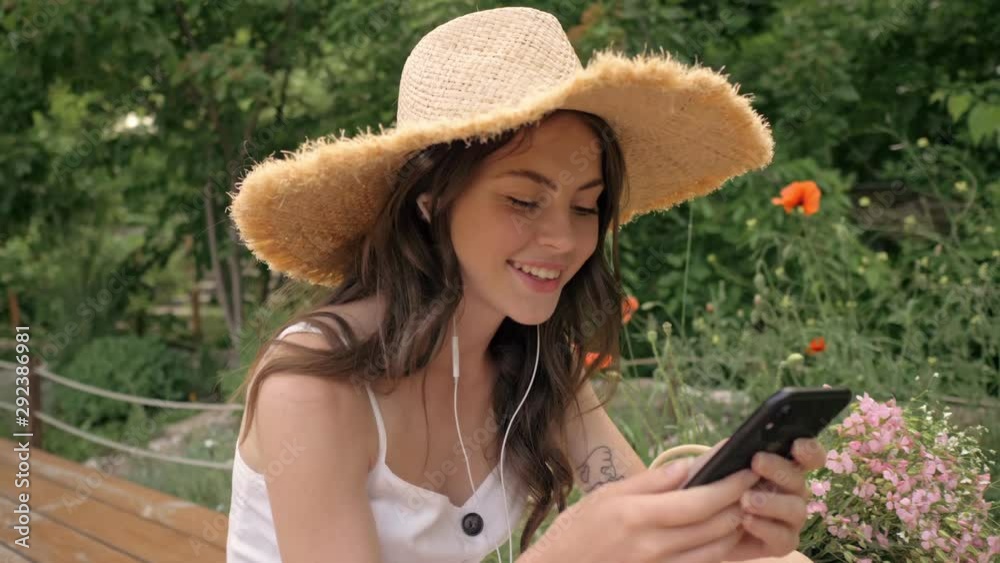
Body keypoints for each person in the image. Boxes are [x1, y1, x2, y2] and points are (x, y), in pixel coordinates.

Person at [224, 6, 823, 563]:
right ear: (430, 203)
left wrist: (727, 533)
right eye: (522, 200)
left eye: (586, 207)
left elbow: (641, 508)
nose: (563, 240)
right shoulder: (313, 384)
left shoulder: (534, 365)